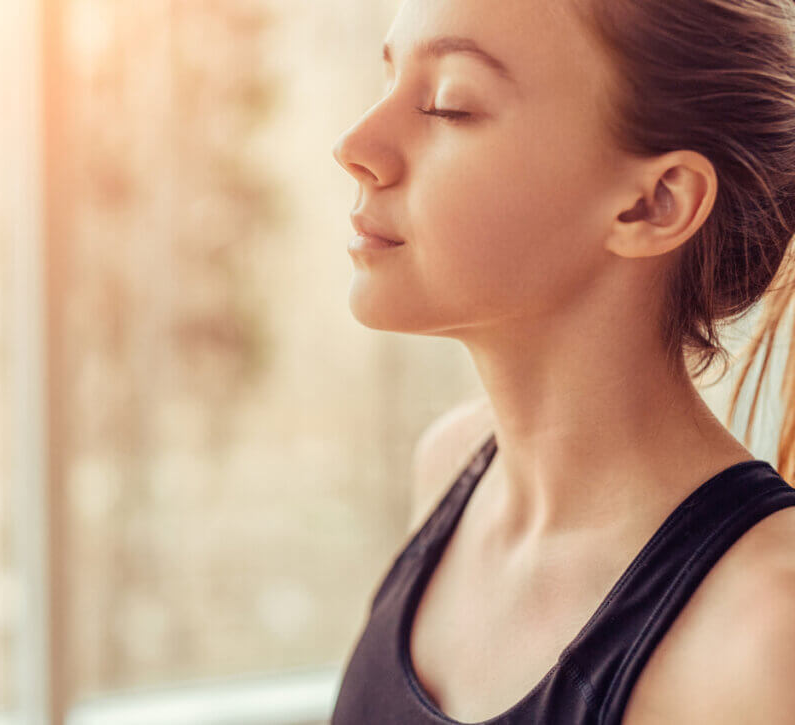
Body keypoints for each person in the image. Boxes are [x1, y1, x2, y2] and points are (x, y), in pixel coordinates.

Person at [328, 0, 795, 723]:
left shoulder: (766, 632)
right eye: (388, 78)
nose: (355, 144)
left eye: (450, 105)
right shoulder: (451, 465)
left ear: (654, 203)